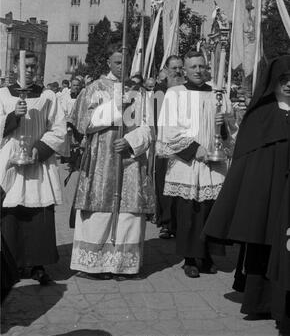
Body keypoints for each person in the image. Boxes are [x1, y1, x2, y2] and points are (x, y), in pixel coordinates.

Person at [203, 55, 290, 330]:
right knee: (264, 244)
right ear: (272, 82)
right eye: (283, 80)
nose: (288, 85)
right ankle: (261, 302)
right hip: (267, 193)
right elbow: (247, 160)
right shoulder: (260, 114)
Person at [69, 41, 155, 280]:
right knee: (98, 207)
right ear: (108, 62)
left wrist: (131, 141)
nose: (121, 66)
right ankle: (93, 264)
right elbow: (84, 123)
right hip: (100, 159)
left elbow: (149, 127)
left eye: (125, 62)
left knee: (129, 208)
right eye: (117, 62)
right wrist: (117, 108)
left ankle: (122, 264)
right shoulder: (94, 88)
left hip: (129, 159)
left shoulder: (139, 91)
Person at [156, 51, 236, 277]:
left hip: (213, 162)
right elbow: (169, 128)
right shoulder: (175, 94)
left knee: (211, 211)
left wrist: (223, 126)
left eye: (202, 66)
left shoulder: (218, 93)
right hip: (187, 162)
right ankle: (190, 258)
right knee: (189, 211)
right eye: (193, 67)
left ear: (207, 67)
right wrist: (194, 149)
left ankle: (207, 255)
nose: (198, 71)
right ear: (185, 70)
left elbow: (232, 128)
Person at [0, 51, 68, 285]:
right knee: (12, 211)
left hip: (38, 159)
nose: (30, 70)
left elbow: (59, 128)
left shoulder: (48, 95)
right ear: (15, 67)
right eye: (26, 66)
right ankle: (13, 264)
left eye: (34, 66)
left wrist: (41, 147)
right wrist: (12, 117)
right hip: (11, 160)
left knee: (39, 212)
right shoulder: (3, 95)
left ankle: (38, 264)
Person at [153, 55, 184, 239]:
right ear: (166, 69)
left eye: (180, 67)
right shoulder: (160, 91)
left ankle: (179, 222)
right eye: (174, 68)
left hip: (185, 144)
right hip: (165, 145)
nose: (178, 71)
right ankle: (166, 222)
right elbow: (155, 120)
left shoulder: (187, 90)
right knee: (164, 185)